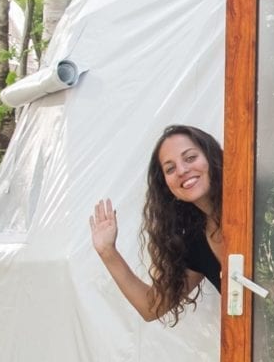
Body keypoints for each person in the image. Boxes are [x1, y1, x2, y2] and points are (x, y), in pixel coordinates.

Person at [90, 124, 224, 322]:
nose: (182, 170)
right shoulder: (196, 244)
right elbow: (151, 307)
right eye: (170, 169)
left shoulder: (259, 206)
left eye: (190, 158)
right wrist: (107, 251)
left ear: (212, 159)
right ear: (167, 186)